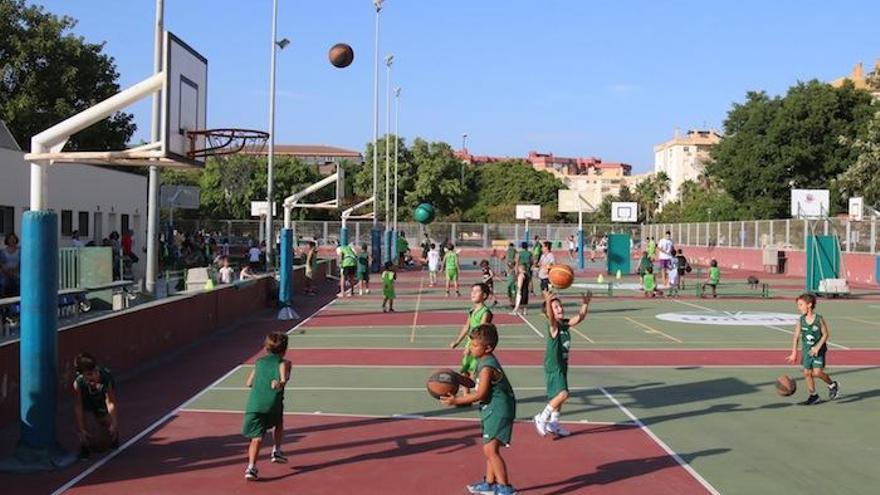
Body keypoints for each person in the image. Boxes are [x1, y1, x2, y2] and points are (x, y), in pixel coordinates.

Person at [440, 324, 517, 495]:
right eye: (471, 344)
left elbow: (481, 393)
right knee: (490, 449)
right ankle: (490, 484)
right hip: (493, 408)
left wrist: (457, 400)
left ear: (487, 347)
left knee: (490, 449)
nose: (471, 348)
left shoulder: (487, 366)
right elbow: (475, 384)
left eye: (475, 345)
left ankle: (505, 488)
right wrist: (457, 377)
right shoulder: (482, 361)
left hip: (499, 409)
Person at [534, 291, 591, 437]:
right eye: (556, 307)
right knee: (563, 394)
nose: (560, 309)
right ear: (549, 313)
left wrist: (585, 303)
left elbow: (580, 317)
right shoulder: (553, 327)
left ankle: (553, 423)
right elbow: (551, 317)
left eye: (560, 306)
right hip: (554, 365)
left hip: (562, 364)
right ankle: (542, 417)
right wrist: (548, 301)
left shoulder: (564, 325)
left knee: (557, 398)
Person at [242, 331, 292, 480]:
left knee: (256, 438)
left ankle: (251, 468)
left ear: (266, 348)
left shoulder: (258, 362)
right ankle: (276, 450)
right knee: (279, 422)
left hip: (254, 404)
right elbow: (283, 380)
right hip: (272, 404)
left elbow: (249, 383)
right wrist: (279, 384)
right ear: (284, 349)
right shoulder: (284, 363)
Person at [786, 293, 840, 405]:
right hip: (806, 350)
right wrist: (793, 353)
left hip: (819, 350)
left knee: (817, 372)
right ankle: (813, 396)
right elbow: (796, 337)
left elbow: (825, 335)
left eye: (801, 305)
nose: (798, 307)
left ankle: (832, 384)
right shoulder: (800, 320)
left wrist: (817, 347)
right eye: (798, 305)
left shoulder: (819, 319)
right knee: (807, 373)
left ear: (809, 305)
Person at [72, 353, 119, 459]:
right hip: (88, 402)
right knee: (88, 427)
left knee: (106, 420)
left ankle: (113, 437)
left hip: (101, 400)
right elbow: (78, 406)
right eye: (88, 374)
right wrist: (81, 428)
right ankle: (85, 447)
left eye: (95, 372)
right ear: (82, 375)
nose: (93, 376)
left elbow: (110, 402)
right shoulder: (78, 383)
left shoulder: (106, 378)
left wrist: (114, 423)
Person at [450, 283, 494, 389]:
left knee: (474, 370)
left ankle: (478, 392)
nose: (473, 294)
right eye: (472, 291)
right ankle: (466, 395)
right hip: (470, 343)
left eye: (476, 291)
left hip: (479, 345)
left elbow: (481, 332)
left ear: (484, 295)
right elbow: (466, 327)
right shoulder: (472, 311)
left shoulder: (485, 312)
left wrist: (472, 346)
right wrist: (457, 341)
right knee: (465, 369)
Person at [0, 233, 21, 297]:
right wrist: (7, 271)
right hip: (5, 273)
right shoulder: (2, 251)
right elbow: (1, 263)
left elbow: (21, 261)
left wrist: (15, 270)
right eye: (10, 239)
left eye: (13, 239)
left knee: (19, 283)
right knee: (3, 283)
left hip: (17, 272)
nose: (12, 240)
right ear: (7, 240)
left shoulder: (20, 250)